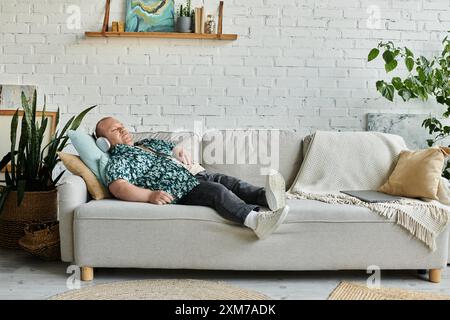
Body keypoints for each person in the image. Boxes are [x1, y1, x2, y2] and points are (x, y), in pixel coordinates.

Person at [95, 116, 289, 240]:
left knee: (231, 183)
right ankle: (256, 221)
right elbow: (119, 187)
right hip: (179, 189)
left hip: (195, 175)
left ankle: (267, 197)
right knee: (218, 192)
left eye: (122, 126)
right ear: (104, 142)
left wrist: (178, 150)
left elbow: (171, 146)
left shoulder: (145, 143)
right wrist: (149, 196)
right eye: (115, 130)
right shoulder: (119, 159)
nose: (123, 130)